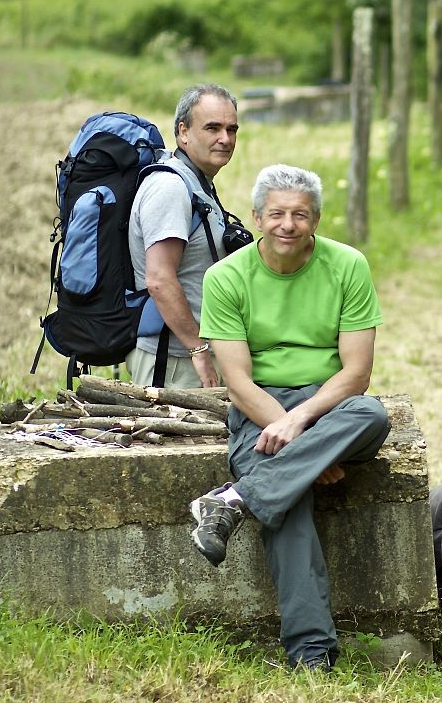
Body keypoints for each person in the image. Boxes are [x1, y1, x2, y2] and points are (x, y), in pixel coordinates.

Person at [188, 164, 390, 671]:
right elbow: (238, 383)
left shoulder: (348, 266)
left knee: (370, 414)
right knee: (290, 500)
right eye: (276, 213)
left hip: (330, 404)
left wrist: (302, 425)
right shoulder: (226, 277)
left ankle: (234, 500)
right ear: (257, 216)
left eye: (300, 215)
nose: (288, 225)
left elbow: (357, 374)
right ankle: (312, 652)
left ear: (316, 220)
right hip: (259, 410)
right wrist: (304, 452)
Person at [127, 83, 240, 388]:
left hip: (189, 355)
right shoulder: (171, 187)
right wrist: (198, 349)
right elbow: (159, 279)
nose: (225, 139)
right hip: (173, 359)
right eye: (213, 128)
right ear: (183, 132)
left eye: (232, 129)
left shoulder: (197, 183)